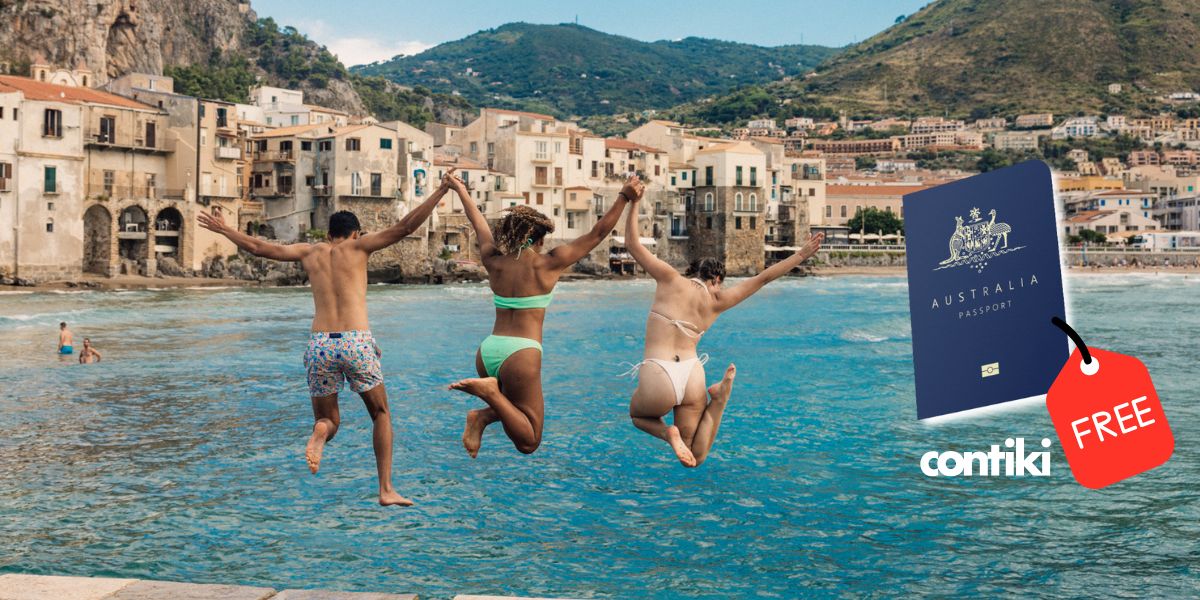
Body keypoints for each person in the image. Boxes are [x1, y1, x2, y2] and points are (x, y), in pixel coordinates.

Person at [197, 169, 458, 507]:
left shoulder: (310, 252)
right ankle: (386, 488)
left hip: (320, 344)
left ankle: (321, 431)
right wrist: (440, 191)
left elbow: (260, 247)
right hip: (355, 341)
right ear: (355, 233)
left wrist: (225, 229)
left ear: (329, 234)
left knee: (328, 418)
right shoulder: (360, 247)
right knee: (380, 413)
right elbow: (405, 227)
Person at [450, 174, 645, 457]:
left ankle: (482, 416)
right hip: (521, 353)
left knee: (513, 409)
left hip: (488, 351)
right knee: (529, 441)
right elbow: (597, 234)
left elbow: (477, 221)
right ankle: (489, 395)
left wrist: (460, 190)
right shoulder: (549, 263)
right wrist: (624, 196)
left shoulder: (494, 260)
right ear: (540, 240)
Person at [621, 194, 824, 467]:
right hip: (692, 375)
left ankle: (668, 434)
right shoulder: (718, 301)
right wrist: (800, 255)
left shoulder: (670, 279)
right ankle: (719, 399)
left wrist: (634, 202)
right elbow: (763, 278)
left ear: (693, 272)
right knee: (695, 456)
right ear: (717, 279)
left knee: (638, 416)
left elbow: (633, 244)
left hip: (659, 374)